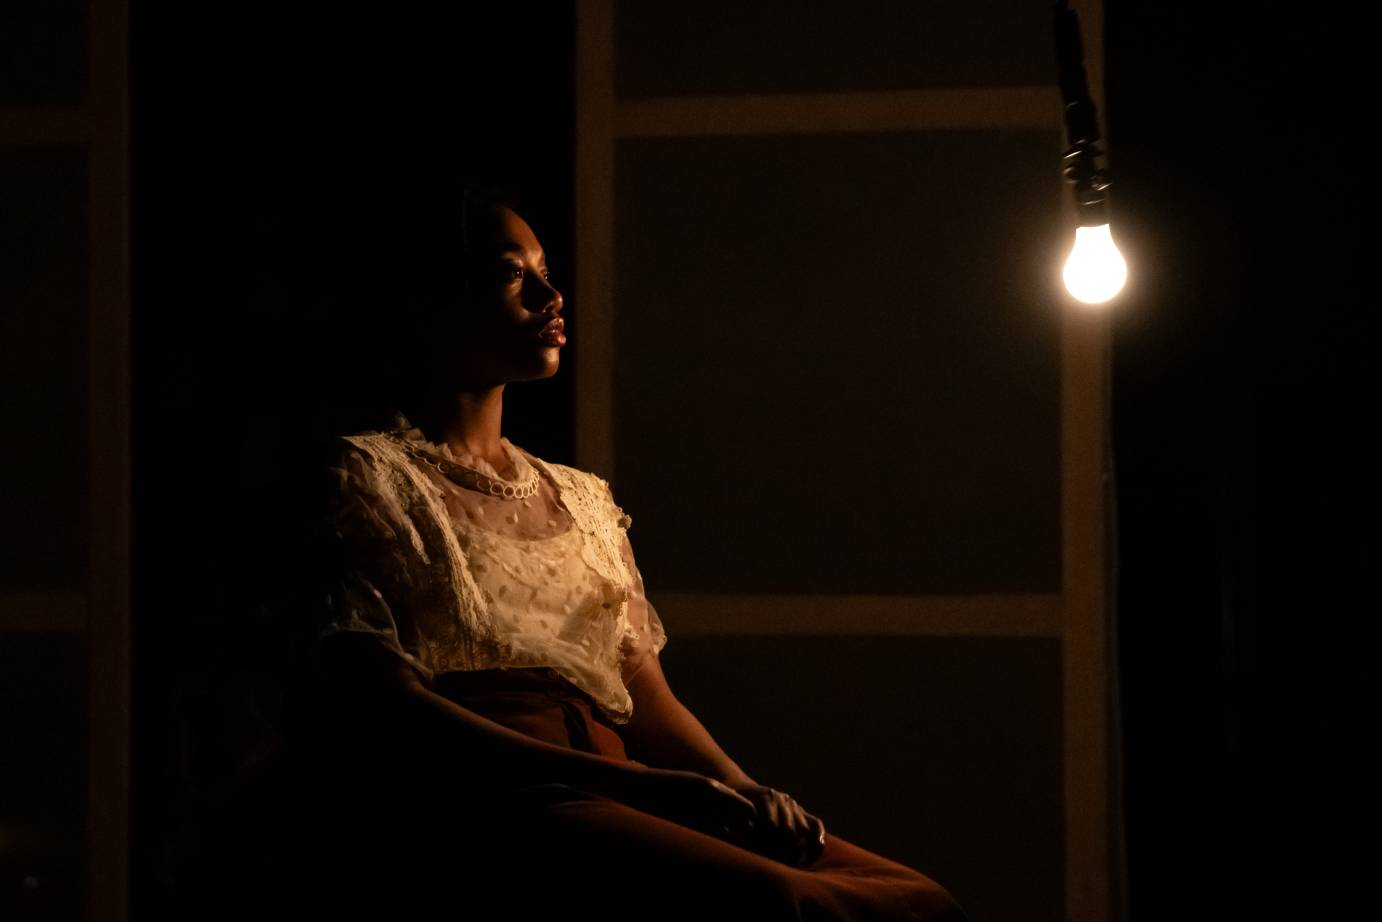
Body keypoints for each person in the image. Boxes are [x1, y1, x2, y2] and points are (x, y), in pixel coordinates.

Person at [294, 183, 969, 921]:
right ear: (435, 300)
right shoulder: (370, 478)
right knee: (783, 903)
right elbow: (387, 709)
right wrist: (640, 787)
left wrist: (742, 789)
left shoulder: (581, 500)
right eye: (513, 273)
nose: (551, 295)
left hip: (623, 785)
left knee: (914, 900)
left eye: (546, 267)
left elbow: (647, 700)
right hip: (505, 796)